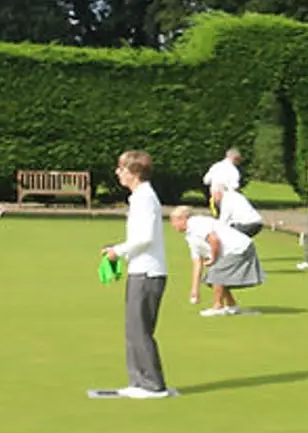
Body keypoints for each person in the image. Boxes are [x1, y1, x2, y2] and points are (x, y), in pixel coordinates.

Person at [100, 149, 174, 399]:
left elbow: (144, 238)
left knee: (140, 329)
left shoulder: (144, 198)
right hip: (140, 269)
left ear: (134, 172)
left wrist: (117, 251)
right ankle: (138, 381)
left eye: (121, 169)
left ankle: (153, 384)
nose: (117, 173)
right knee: (133, 328)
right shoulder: (139, 197)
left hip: (148, 272)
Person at [171, 206, 265, 316]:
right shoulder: (190, 236)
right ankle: (231, 305)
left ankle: (217, 306)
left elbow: (214, 240)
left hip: (239, 247)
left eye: (174, 221)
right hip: (232, 250)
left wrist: (214, 259)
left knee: (216, 273)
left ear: (182, 218)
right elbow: (197, 263)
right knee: (214, 277)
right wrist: (195, 290)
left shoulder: (196, 223)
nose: (173, 225)